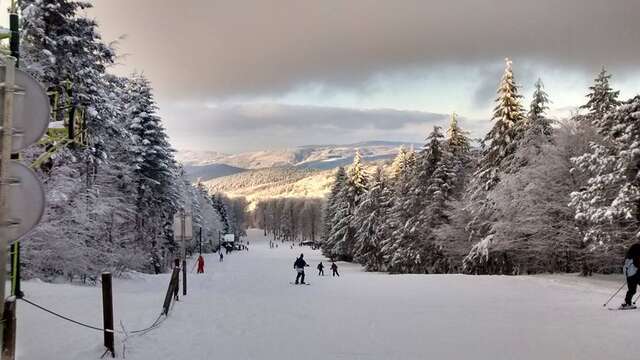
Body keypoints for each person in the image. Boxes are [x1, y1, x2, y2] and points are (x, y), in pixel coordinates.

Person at [623, 242, 640, 307]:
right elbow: (638, 264)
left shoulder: (628, 257)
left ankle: (627, 303)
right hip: (635, 274)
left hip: (629, 275)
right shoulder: (636, 255)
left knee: (632, 290)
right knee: (632, 290)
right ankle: (627, 303)